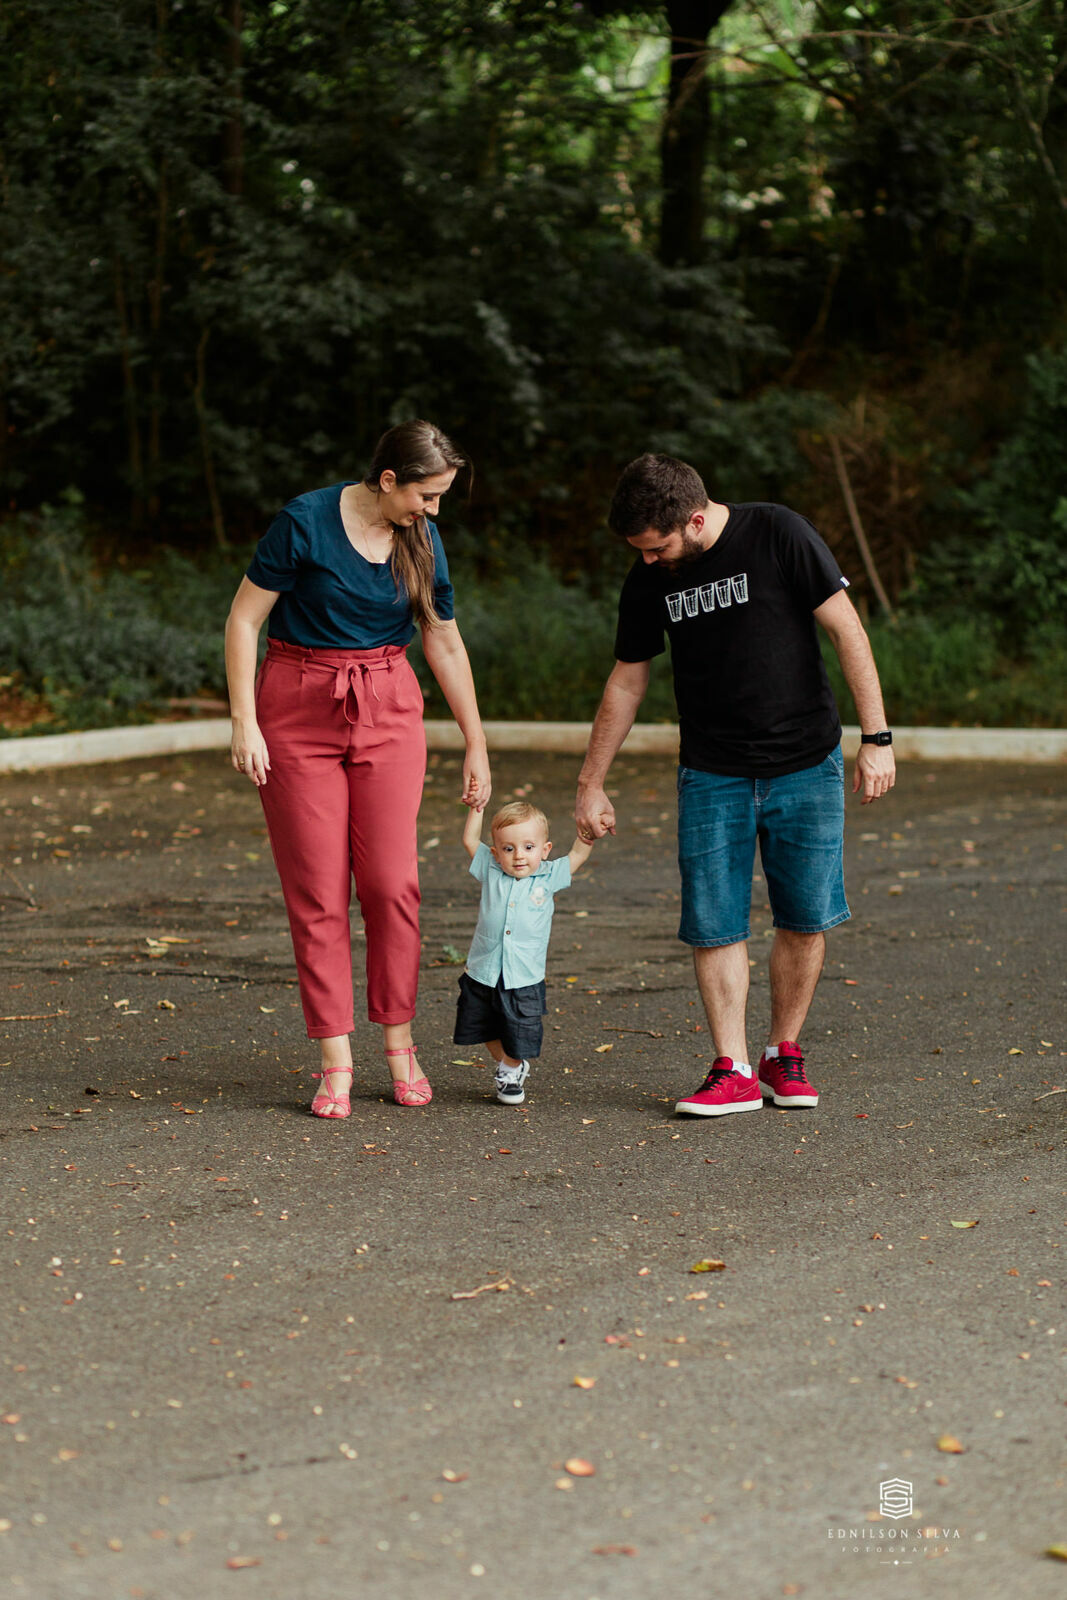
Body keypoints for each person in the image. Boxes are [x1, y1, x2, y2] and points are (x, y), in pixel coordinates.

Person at [574, 452, 895, 1118]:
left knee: (804, 919)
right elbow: (627, 679)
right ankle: (733, 1067)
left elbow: (845, 629)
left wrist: (876, 738)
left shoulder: (779, 533)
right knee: (714, 924)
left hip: (805, 763)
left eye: (656, 547)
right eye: (638, 551)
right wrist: (590, 783)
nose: (648, 561)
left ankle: (783, 1052)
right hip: (711, 772)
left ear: (693, 519)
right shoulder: (650, 574)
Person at [224, 419, 490, 1118]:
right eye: (425, 497)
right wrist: (244, 720)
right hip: (296, 705)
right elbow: (244, 619)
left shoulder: (421, 539)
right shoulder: (304, 522)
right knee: (316, 890)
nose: (431, 513)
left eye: (439, 501)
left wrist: (476, 741)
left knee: (391, 884)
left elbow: (443, 640)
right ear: (388, 479)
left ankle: (398, 1042)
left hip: (388, 703)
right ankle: (335, 1058)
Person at [454, 800, 594, 1105]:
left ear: (544, 849)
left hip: (523, 975)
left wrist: (587, 834)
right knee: (478, 1023)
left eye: (528, 847)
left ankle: (512, 1068)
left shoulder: (550, 875)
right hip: (483, 970)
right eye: (508, 849)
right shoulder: (491, 870)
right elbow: (468, 840)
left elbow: (578, 854)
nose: (519, 855)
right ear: (495, 853)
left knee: (520, 1029)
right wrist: (477, 807)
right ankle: (509, 1064)